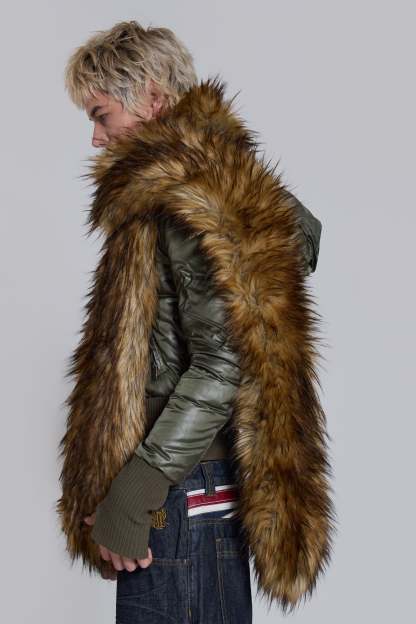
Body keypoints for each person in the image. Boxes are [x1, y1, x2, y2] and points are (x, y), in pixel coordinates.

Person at [56, 20, 335, 622]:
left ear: (152, 98)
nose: (97, 139)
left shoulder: (192, 197)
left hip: (181, 489)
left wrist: (138, 488)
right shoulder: (186, 192)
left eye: (101, 115)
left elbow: (224, 362)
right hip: (186, 487)